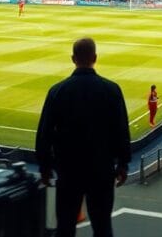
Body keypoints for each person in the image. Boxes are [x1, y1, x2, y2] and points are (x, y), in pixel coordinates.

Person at [36, 38, 130, 237]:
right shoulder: (112, 90)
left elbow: (44, 134)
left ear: (73, 59)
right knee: (103, 226)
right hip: (102, 171)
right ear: (95, 58)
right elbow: (121, 130)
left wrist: (44, 167)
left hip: (69, 171)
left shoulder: (57, 91)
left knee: (65, 227)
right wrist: (123, 163)